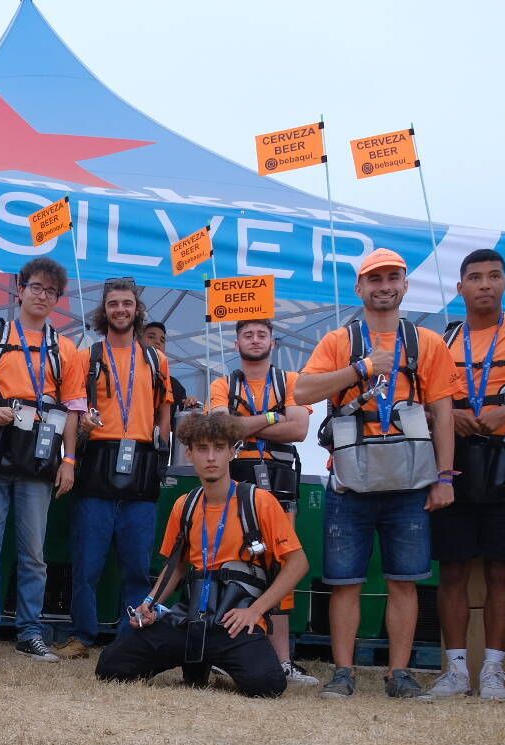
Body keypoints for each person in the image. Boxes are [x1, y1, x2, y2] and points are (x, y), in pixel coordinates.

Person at [293, 247, 461, 699]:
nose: (384, 286)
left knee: (404, 581)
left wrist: (445, 478)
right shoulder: (339, 342)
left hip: (410, 482)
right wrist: (361, 368)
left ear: (405, 285)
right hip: (350, 480)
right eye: (375, 279)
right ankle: (343, 673)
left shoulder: (427, 343)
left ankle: (398, 673)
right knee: (344, 582)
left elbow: (444, 414)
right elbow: (303, 389)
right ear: (360, 288)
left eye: (392, 278)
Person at [424, 248, 505, 701]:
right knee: (454, 570)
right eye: (475, 277)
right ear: (459, 287)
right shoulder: (441, 342)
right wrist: (447, 417)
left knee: (503, 571)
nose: (484, 284)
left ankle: (494, 671)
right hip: (453, 464)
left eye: (493, 277)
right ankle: (457, 668)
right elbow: (423, 404)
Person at [96, 411, 308, 696]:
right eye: (203, 448)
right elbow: (177, 567)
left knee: (267, 685)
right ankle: (193, 657)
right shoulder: (185, 505)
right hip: (190, 618)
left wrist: (255, 611)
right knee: (111, 666)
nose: (211, 457)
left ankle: (209, 658)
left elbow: (298, 564)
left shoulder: (259, 502)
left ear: (233, 452)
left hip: (235, 622)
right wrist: (149, 604)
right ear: (189, 453)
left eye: (219, 448)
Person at [0, 258, 86, 661]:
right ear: (20, 289)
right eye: (36, 287)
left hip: (39, 457)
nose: (43, 296)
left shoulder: (65, 349)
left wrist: (70, 461)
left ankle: (30, 632)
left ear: (58, 299)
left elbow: (72, 410)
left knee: (34, 552)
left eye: (51, 291)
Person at [56, 278, 172, 659]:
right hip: (98, 463)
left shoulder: (157, 359)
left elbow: (165, 407)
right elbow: (74, 410)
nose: (120, 310)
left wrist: (163, 447)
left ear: (137, 311)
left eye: (127, 304)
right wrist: (75, 447)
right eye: (113, 304)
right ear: (103, 312)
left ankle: (130, 637)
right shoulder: (87, 357)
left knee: (137, 566)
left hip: (140, 465)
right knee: (87, 563)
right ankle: (82, 636)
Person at [205, 318, 316, 686]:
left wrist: (245, 423)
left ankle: (282, 660)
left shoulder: (293, 381)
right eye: (247, 334)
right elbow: (223, 429)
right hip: (238, 485)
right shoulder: (223, 384)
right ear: (236, 342)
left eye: (261, 334)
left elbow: (299, 429)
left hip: (281, 487)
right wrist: (271, 416)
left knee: (282, 566)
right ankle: (229, 652)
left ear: (274, 341)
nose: (255, 340)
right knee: (237, 564)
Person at [141, 321, 195, 410]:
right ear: (137, 341)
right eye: (151, 337)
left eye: (162, 340)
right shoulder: (128, 374)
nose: (158, 342)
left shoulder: (174, 385)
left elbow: (178, 412)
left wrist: (188, 404)